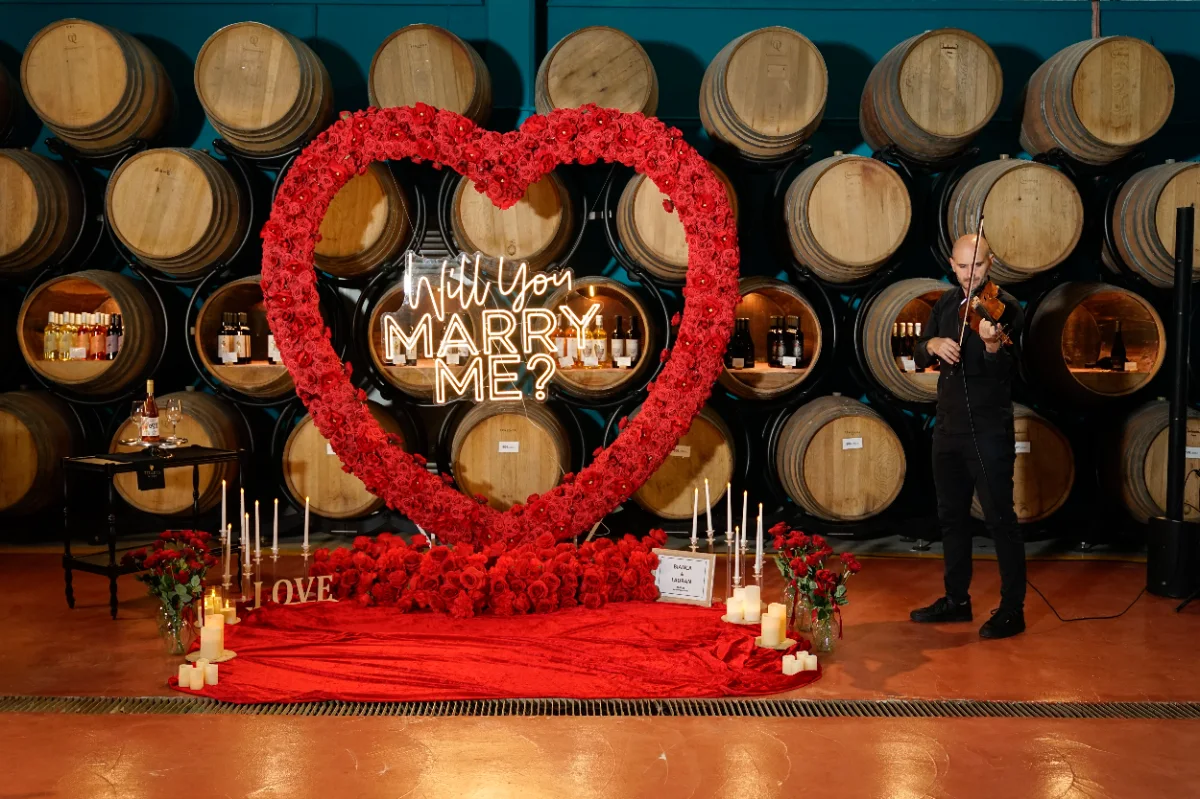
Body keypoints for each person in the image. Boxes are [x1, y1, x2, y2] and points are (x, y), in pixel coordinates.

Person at [909, 234, 1027, 640]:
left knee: (1000, 520)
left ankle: (1012, 610)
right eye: (962, 266)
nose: (969, 274)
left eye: (977, 266)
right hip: (948, 427)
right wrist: (932, 343)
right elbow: (918, 353)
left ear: (990, 263)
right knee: (951, 517)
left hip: (989, 429)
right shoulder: (945, 304)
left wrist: (993, 346)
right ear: (951, 264)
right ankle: (956, 600)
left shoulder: (1006, 308)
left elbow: (1010, 372)